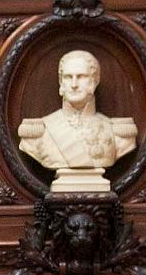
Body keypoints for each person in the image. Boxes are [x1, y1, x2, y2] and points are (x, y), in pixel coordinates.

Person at [15, 48, 138, 189]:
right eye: (68, 77)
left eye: (81, 76)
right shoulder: (39, 132)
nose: (74, 84)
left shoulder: (118, 133)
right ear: (61, 83)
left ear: (94, 81)